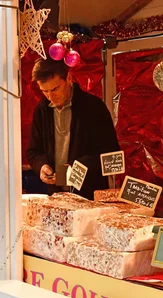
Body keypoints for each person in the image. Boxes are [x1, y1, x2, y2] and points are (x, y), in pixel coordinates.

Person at [26, 58, 120, 200]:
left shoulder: (94, 107)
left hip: (89, 195)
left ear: (68, 78)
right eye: (44, 91)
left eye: (55, 89)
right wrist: (42, 166)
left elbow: (110, 152)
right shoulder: (41, 110)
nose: (50, 96)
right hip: (56, 195)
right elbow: (34, 151)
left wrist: (74, 168)